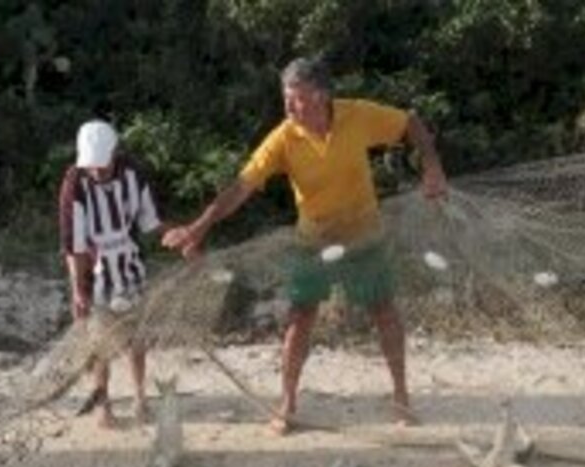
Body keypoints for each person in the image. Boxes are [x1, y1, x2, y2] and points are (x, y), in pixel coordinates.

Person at [163, 57, 447, 434]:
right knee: (300, 318)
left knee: (384, 312)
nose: (289, 107)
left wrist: (432, 166)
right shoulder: (283, 138)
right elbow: (240, 188)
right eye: (286, 99)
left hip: (364, 232)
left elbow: (410, 122)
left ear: (321, 96)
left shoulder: (356, 115)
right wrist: (199, 227)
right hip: (313, 239)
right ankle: (288, 403)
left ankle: (401, 398)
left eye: (296, 99)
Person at [58, 119, 164, 428]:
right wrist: (78, 289)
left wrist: (181, 237)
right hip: (96, 272)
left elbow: (150, 223)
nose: (96, 172)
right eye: (90, 167)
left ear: (114, 154)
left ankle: (141, 397)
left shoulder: (134, 173)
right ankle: (104, 406)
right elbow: (73, 245)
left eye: (101, 166)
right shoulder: (74, 184)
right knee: (100, 342)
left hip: (130, 267)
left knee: (137, 336)